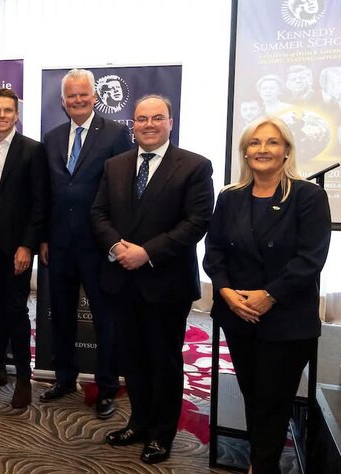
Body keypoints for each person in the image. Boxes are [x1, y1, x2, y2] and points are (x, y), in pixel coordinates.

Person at [90, 95, 213, 464]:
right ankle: (139, 423)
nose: (148, 124)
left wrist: (146, 252)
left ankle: (162, 434)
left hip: (165, 283)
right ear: (133, 124)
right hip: (121, 279)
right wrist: (116, 247)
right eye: (141, 119)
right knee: (132, 358)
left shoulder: (194, 166)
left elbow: (196, 223)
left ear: (170, 122)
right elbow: (97, 213)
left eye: (156, 118)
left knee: (164, 361)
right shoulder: (115, 165)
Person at [204, 117, 331, 473]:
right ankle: (262, 459)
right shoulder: (230, 197)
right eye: (255, 143)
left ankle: (262, 465)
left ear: (287, 150)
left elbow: (311, 259)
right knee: (252, 392)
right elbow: (213, 251)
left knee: (273, 399)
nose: (263, 150)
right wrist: (226, 292)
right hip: (238, 313)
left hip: (286, 319)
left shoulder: (309, 196)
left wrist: (269, 296)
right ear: (245, 151)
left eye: (272, 142)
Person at [39, 69, 132, 419]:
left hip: (99, 245)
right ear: (62, 102)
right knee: (61, 314)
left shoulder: (115, 133)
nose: (77, 100)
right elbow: (47, 192)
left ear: (94, 97)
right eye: (71, 96)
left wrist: (116, 241)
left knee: (104, 317)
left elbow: (122, 192)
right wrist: (44, 237)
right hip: (59, 244)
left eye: (83, 95)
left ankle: (107, 386)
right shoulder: (52, 136)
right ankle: (64, 378)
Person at [0, 88, 47, 409]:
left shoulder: (32, 150)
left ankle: (23, 380)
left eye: (7, 111)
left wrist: (27, 245)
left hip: (16, 243)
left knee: (16, 310)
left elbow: (39, 203)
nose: (1, 116)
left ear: (16, 115)